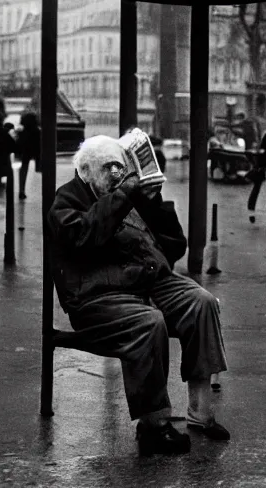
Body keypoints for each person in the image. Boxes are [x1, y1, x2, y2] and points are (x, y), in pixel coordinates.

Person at [47, 135, 229, 456]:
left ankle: (200, 410)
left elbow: (174, 246)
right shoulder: (68, 200)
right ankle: (154, 426)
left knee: (201, 302)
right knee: (149, 322)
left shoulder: (123, 195)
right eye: (109, 168)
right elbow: (85, 237)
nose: (117, 174)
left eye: (121, 166)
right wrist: (123, 196)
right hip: (98, 297)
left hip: (148, 283)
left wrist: (152, 202)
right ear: (86, 171)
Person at [16, 110, 41, 200]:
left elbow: (18, 145)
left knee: (24, 166)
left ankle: (21, 190)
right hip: (37, 152)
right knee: (40, 168)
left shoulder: (23, 133)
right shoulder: (38, 132)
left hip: (26, 151)